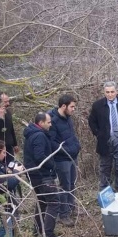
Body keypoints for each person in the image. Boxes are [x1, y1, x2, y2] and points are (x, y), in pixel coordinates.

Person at [23, 112, 63, 237]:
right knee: (53, 202)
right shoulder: (39, 136)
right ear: (41, 123)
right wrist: (52, 165)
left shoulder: (33, 134)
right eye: (49, 122)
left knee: (42, 201)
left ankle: (38, 228)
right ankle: (48, 235)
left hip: (34, 174)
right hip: (42, 175)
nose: (51, 124)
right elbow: (39, 156)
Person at [88, 81, 118, 190]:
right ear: (104, 92)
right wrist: (98, 134)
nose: (110, 94)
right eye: (107, 92)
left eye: (112, 92)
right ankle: (104, 189)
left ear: (116, 91)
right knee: (105, 167)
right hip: (105, 141)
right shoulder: (98, 105)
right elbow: (92, 121)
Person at [48, 94, 81, 226]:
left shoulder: (68, 118)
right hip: (61, 160)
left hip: (72, 157)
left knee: (72, 183)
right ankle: (63, 214)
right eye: (72, 107)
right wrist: (67, 150)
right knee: (64, 186)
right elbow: (52, 143)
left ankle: (70, 207)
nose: (74, 109)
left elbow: (71, 136)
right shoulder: (53, 120)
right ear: (63, 106)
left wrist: (76, 146)